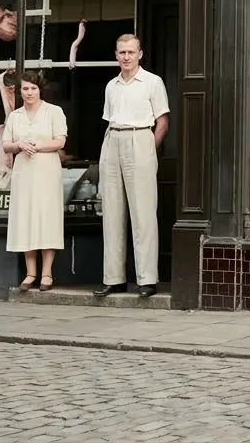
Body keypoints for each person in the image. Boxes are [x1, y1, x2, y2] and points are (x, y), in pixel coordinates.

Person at [95, 33, 170, 299]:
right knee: (112, 211)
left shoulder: (152, 82)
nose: (126, 57)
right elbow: (108, 119)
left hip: (141, 137)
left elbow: (163, 120)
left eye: (131, 52)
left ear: (140, 54)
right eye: (121, 53)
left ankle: (147, 279)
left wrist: (150, 146)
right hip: (113, 137)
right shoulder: (111, 86)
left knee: (143, 212)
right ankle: (114, 279)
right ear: (116, 55)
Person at [2, 71, 68, 291]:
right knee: (26, 218)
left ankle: (47, 272)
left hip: (46, 170)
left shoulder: (53, 112)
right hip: (24, 171)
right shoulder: (15, 116)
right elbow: (6, 145)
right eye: (25, 89)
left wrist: (37, 146)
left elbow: (60, 141)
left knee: (47, 217)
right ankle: (30, 272)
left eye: (33, 88)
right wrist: (20, 145)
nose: (29, 93)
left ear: (40, 90)